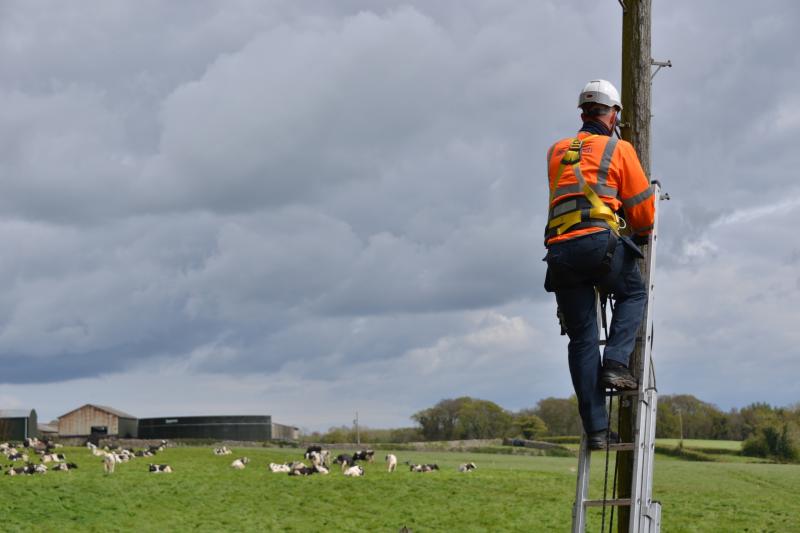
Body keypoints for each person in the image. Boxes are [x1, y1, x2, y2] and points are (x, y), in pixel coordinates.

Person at [543, 79, 655, 449]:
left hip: (559, 252)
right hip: (598, 243)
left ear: (583, 113)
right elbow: (643, 209)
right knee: (633, 293)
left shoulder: (556, 151)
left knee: (582, 338)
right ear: (613, 114)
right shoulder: (618, 148)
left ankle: (596, 430)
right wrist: (639, 232)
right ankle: (616, 364)